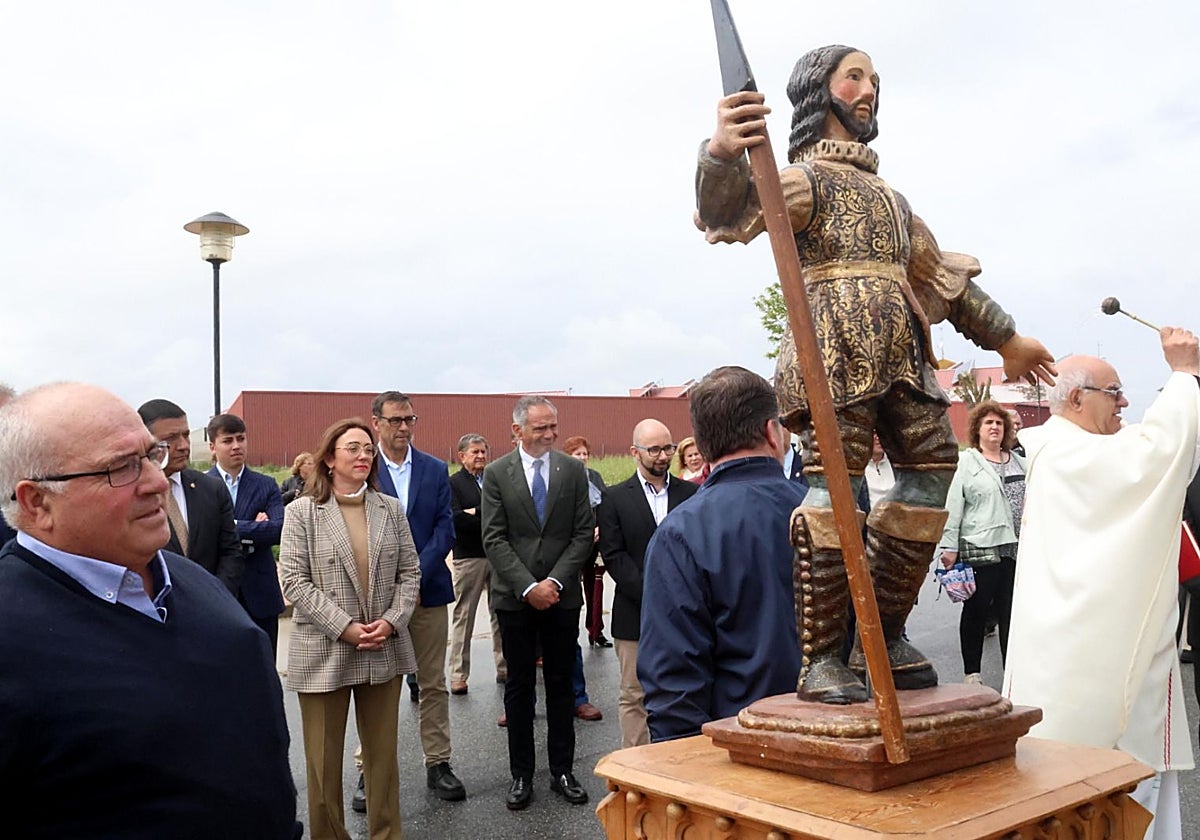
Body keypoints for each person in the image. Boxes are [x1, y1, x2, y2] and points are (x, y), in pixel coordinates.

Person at [694, 45, 1055, 703]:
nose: (868, 90)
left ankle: (881, 633)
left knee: (933, 469)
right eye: (854, 77)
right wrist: (721, 152)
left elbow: (940, 277)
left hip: (903, 357)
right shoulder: (803, 180)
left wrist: (1007, 339)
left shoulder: (893, 201)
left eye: (874, 80)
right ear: (819, 93)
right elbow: (726, 213)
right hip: (831, 351)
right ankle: (821, 658)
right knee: (833, 489)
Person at [0, 383, 298, 838]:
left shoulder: (192, 581)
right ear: (37, 502)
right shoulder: (11, 634)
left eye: (149, 455)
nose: (158, 482)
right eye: (121, 467)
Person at [1003, 330, 1200, 836]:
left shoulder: (1066, 450)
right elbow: (1160, 454)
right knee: (1104, 801)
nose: (1125, 402)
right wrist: (1183, 374)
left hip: (1067, 662)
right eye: (1114, 392)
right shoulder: (1070, 454)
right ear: (1076, 398)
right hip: (1085, 674)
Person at [639, 367, 807, 741]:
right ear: (772, 432)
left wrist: (682, 766)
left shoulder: (680, 533)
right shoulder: (828, 516)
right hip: (833, 739)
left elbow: (673, 683)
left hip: (736, 749)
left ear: (703, 444)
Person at [280, 418, 420, 840]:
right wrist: (345, 628)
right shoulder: (302, 512)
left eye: (368, 450)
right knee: (323, 766)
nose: (363, 456)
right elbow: (294, 581)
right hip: (324, 649)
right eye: (353, 448)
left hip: (383, 645)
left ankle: (386, 834)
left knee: (383, 760)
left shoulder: (389, 508)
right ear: (329, 458)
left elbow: (410, 573)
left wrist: (391, 621)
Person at [482, 395, 594, 810]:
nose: (550, 434)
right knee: (519, 687)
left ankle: (563, 770)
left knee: (562, 686)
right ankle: (521, 775)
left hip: (561, 597)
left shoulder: (572, 471)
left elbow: (583, 533)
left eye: (553, 426)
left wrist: (555, 582)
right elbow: (494, 537)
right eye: (541, 427)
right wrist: (529, 586)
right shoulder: (497, 473)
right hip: (515, 599)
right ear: (517, 430)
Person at [368, 391, 463, 804]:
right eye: (395, 420)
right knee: (377, 684)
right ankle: (369, 769)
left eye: (410, 419)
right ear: (376, 423)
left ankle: (438, 762)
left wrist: (414, 575)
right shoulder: (363, 468)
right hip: (377, 596)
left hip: (428, 591)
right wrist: (395, 583)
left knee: (432, 682)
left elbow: (444, 527)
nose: (404, 427)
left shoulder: (434, 468)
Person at [597, 418, 698, 747]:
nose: (662, 456)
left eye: (668, 448)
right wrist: (653, 595)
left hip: (685, 613)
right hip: (634, 613)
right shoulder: (614, 498)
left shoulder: (692, 494)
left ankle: (679, 759)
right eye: (654, 449)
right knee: (634, 695)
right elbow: (614, 556)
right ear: (634, 451)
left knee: (684, 690)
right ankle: (636, 765)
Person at [937, 400, 1026, 685]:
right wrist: (949, 546)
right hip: (981, 546)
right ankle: (972, 673)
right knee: (976, 609)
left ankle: (1012, 675)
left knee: (1010, 614)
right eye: (989, 423)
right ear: (977, 429)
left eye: (999, 423)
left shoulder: (1021, 462)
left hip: (1016, 549)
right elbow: (954, 504)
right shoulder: (966, 462)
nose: (995, 427)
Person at [137, 398, 243, 595]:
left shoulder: (212, 489)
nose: (184, 445)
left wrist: (216, 598)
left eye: (186, 435)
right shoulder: (132, 495)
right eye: (171, 438)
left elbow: (230, 552)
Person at [207, 413, 287, 655]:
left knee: (264, 665)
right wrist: (253, 527)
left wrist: (228, 526)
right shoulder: (200, 486)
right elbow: (202, 533)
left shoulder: (266, 484)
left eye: (241, 439)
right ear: (212, 447)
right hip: (218, 589)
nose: (236, 446)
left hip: (260, 593)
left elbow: (278, 530)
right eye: (227, 440)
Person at [448, 433, 506, 694]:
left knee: (501, 614)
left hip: (497, 555)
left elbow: (504, 512)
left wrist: (475, 511)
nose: (481, 456)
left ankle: (505, 667)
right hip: (469, 556)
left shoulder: (494, 480)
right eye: (475, 452)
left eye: (483, 451)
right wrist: (484, 513)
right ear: (462, 456)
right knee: (464, 616)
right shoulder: (453, 483)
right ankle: (458, 674)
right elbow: (455, 519)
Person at [562, 434, 610, 648]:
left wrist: (600, 528)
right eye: (577, 454)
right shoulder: (562, 478)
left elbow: (606, 505)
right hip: (572, 542)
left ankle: (596, 629)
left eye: (584, 453)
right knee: (570, 588)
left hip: (595, 540)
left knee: (595, 586)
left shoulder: (595, 477)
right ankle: (569, 634)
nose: (582, 457)